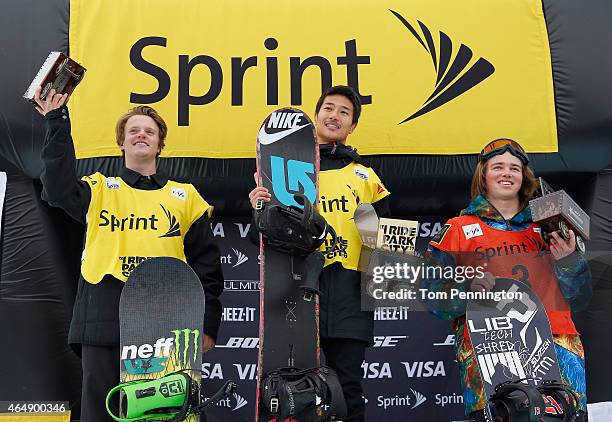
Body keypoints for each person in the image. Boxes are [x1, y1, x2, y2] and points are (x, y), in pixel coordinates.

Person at [34, 88, 224, 422]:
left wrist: (206, 323)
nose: (141, 134)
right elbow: (56, 187)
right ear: (121, 142)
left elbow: (206, 268)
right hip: (103, 313)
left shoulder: (186, 197)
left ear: (159, 144)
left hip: (165, 318)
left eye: (149, 131)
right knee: (102, 412)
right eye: (133, 130)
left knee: (163, 413)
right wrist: (56, 121)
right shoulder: (99, 188)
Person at [249, 85, 390, 421]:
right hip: (295, 286)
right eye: (328, 108)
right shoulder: (283, 165)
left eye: (344, 112)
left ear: (352, 125)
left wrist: (379, 247)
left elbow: (387, 243)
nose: (334, 115)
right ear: (316, 116)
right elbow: (262, 239)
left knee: (348, 389)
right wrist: (258, 208)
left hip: (349, 291)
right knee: (292, 389)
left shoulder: (366, 176)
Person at [425, 138, 591, 421]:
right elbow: (433, 297)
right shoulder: (457, 228)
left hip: (557, 344)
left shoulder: (551, 225)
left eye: (514, 168)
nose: (506, 173)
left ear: (524, 177)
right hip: (490, 347)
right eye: (497, 167)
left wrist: (570, 261)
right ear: (483, 176)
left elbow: (581, 297)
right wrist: (467, 291)